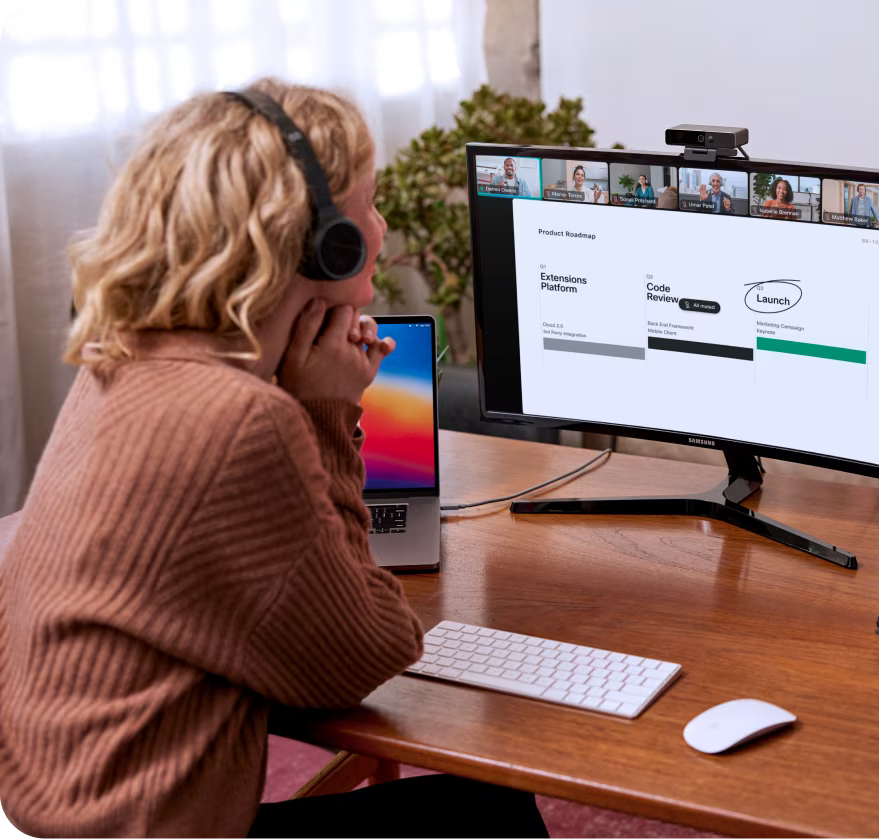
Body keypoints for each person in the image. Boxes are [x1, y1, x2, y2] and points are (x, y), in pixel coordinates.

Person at [0, 78, 549, 839]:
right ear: (324, 243)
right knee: (492, 810)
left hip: (49, 810)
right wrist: (325, 411)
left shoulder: (118, 359)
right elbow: (370, 651)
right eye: (371, 204)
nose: (382, 230)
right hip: (141, 825)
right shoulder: (238, 421)